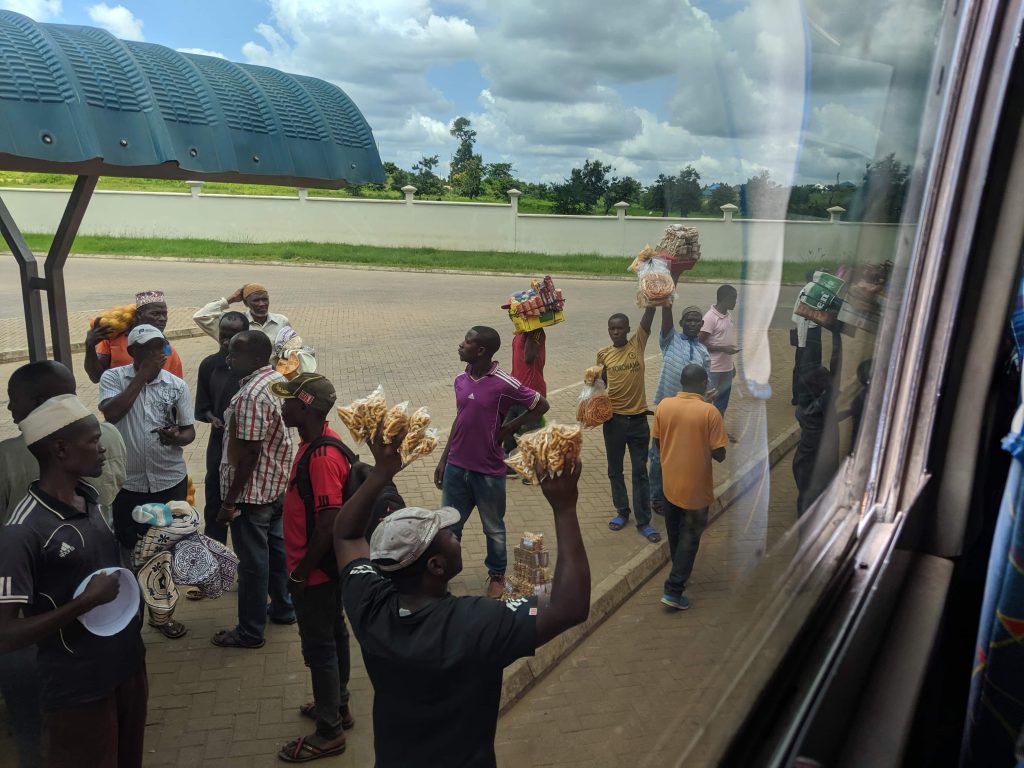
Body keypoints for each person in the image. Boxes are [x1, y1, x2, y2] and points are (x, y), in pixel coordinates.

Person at [338, 427, 590, 768]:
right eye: (447, 535)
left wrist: (383, 472)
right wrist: (564, 509)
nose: (455, 536)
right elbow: (569, 607)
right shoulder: (477, 623)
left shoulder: (369, 603)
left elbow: (346, 534)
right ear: (436, 566)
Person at [0, 394, 147, 768]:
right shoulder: (23, 530)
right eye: (93, 441)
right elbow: (6, 635)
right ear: (61, 450)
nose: (103, 449)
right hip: (77, 690)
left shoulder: (90, 498)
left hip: (126, 668)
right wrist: (83, 604)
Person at [272, 373, 354, 762]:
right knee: (334, 634)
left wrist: (301, 573)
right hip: (320, 571)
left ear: (303, 407)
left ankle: (329, 732)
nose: (282, 406)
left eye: (287, 401)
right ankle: (337, 705)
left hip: (316, 573)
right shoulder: (317, 442)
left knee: (319, 646)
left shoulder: (322, 455)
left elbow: (329, 523)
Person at [434, 326, 549, 598]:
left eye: (467, 342)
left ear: (481, 350)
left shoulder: (503, 383)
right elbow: (460, 419)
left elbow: (540, 404)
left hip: (487, 471)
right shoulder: (460, 380)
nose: (461, 345)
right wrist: (443, 459)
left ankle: (496, 575)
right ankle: (443, 576)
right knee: (449, 527)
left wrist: (509, 427)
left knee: (494, 528)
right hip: (456, 467)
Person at [99, 324, 195, 640]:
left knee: (162, 550)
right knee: (129, 549)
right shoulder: (113, 378)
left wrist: (175, 437)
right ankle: (132, 613)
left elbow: (189, 431)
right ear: (134, 352)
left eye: (161, 348)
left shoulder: (176, 385)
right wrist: (141, 378)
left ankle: (161, 615)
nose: (157, 354)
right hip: (130, 485)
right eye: (149, 349)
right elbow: (111, 414)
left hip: (168, 480)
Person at [212, 331, 295, 649]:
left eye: (234, 354)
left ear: (257, 357)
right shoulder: (275, 379)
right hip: (274, 486)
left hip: (252, 494)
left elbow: (247, 454)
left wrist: (229, 502)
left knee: (253, 563)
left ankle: (249, 631)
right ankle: (284, 608)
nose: (228, 359)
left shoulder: (250, 396)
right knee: (275, 552)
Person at [652, 364, 728, 610]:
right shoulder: (710, 412)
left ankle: (679, 569)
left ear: (682, 384)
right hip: (696, 488)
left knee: (675, 533)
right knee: (690, 537)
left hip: (670, 484)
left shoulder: (663, 406)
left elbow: (657, 441)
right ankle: (674, 589)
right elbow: (720, 454)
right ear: (704, 384)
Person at [597, 307, 661, 543]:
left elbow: (649, 315)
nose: (616, 332)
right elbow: (601, 384)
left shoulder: (637, 345)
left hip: (638, 422)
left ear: (628, 329)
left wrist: (655, 297)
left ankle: (644, 521)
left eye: (620, 328)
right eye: (612, 328)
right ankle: (622, 511)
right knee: (614, 470)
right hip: (613, 421)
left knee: (640, 471)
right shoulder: (603, 354)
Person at [650, 299, 712, 514]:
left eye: (697, 320)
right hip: (666, 411)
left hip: (691, 414)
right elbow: (666, 312)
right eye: (689, 320)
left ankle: (679, 495)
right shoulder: (670, 340)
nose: (693, 323)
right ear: (681, 322)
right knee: (658, 456)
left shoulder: (704, 352)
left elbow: (706, 384)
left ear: (702, 323)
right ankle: (657, 498)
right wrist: (671, 284)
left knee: (684, 457)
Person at [194, 312, 250, 545]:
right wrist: (212, 418)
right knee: (215, 504)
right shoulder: (209, 365)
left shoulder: (252, 367)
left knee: (245, 508)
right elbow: (202, 407)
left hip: (247, 447)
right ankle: (214, 559)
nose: (227, 342)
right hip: (219, 446)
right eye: (223, 336)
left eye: (234, 336)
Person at [792, 329, 844, 516]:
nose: (829, 376)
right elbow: (836, 368)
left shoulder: (804, 408)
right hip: (814, 461)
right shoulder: (821, 404)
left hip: (803, 459)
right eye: (825, 377)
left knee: (805, 498)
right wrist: (836, 335)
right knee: (814, 499)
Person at [84, 290, 184, 384]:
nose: (162, 319)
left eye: (164, 314)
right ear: (139, 315)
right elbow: (96, 377)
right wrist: (90, 346)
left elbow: (177, 387)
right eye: (155, 314)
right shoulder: (112, 340)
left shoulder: (167, 349)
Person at [502, 329, 547, 461]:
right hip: (516, 389)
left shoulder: (535, 332)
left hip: (531, 390)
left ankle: (536, 468)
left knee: (530, 432)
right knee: (507, 428)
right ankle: (512, 463)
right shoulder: (519, 333)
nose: (512, 316)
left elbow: (528, 357)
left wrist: (530, 333)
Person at [193, 283, 289, 343]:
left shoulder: (281, 321)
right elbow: (200, 316)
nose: (262, 304)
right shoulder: (234, 323)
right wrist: (231, 299)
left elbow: (291, 347)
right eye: (256, 300)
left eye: (265, 299)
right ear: (246, 303)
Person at [700, 284, 740, 417]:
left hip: (726, 369)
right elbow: (699, 342)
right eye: (734, 299)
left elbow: (724, 340)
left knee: (722, 404)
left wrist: (731, 364)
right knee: (707, 403)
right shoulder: (710, 318)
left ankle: (718, 432)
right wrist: (723, 349)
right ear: (726, 299)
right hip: (713, 369)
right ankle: (705, 432)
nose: (735, 302)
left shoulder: (728, 315)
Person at [791, 270, 823, 407]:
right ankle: (803, 397)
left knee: (802, 364)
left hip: (807, 333)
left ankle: (798, 396)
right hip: (808, 334)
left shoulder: (808, 289)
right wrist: (802, 342)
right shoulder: (811, 291)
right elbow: (803, 319)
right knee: (807, 366)